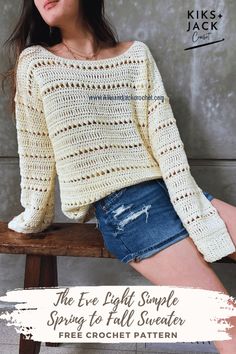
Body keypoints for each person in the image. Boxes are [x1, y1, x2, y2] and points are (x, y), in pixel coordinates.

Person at [1, 1, 235, 352]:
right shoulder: (36, 63)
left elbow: (166, 141)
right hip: (126, 211)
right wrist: (34, 217)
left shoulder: (136, 56)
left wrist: (191, 203)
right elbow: (37, 154)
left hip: (175, 191)